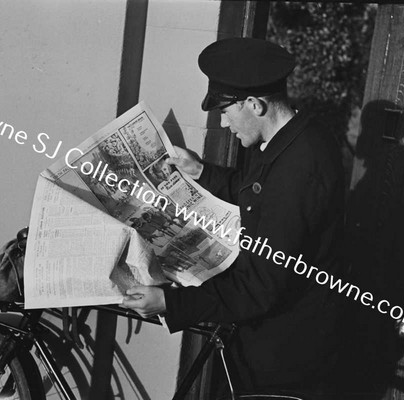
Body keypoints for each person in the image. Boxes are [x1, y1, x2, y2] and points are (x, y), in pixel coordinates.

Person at [122, 38, 346, 398]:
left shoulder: (301, 167)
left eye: (225, 112)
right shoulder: (286, 139)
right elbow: (254, 189)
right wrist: (201, 171)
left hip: (287, 348)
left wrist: (172, 303)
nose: (224, 123)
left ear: (255, 105)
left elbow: (262, 285)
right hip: (272, 332)